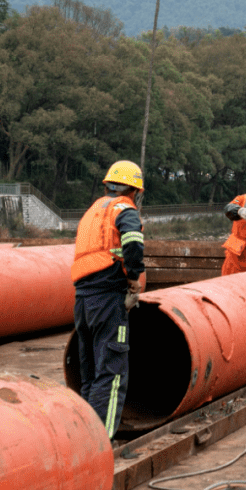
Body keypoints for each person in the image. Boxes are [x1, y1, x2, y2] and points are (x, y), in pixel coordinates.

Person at [70, 159, 145, 437]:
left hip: (83, 299)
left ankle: (85, 436)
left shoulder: (91, 211)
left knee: (89, 373)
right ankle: (102, 440)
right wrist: (134, 278)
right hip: (108, 299)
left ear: (108, 185)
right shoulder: (125, 209)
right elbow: (133, 243)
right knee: (112, 373)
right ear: (135, 191)